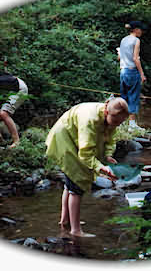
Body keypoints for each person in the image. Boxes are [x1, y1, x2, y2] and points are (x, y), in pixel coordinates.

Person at [45, 97, 129, 237]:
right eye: (115, 122)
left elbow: (110, 139)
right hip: (64, 140)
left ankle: (65, 221)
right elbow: (85, 154)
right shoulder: (90, 120)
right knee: (76, 183)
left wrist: (107, 156)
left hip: (74, 138)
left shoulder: (111, 119)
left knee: (69, 184)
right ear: (107, 112)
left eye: (120, 123)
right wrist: (102, 168)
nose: (116, 125)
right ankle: (76, 230)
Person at [118, 20, 147, 131]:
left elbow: (119, 57)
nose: (142, 32)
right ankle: (132, 124)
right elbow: (135, 59)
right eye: (140, 29)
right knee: (133, 97)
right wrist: (142, 74)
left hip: (123, 71)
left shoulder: (123, 40)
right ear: (135, 30)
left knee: (124, 97)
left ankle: (121, 122)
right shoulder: (136, 40)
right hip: (132, 71)